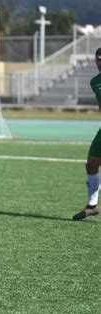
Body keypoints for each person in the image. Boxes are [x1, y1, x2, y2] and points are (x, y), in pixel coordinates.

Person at [72, 47, 101, 220]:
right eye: (97, 58)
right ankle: (92, 206)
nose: (99, 61)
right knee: (91, 165)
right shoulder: (95, 82)